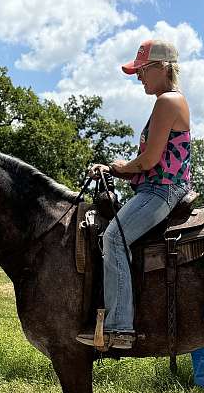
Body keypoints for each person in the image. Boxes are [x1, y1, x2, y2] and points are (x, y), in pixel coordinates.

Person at [76, 39, 191, 350]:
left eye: (142, 70)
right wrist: (118, 169)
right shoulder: (168, 101)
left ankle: (119, 328)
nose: (139, 76)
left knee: (113, 237)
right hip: (155, 187)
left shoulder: (167, 101)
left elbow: (151, 161)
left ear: (163, 68)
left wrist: (118, 167)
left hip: (162, 190)